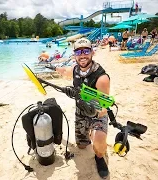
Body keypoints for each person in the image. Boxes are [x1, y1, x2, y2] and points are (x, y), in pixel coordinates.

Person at [45, 38, 111, 179]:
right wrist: (51, 67)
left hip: (97, 115)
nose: (82, 55)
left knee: (98, 143)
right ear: (75, 55)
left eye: (86, 51)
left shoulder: (101, 77)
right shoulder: (75, 70)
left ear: (92, 52)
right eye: (78, 52)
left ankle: (100, 157)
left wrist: (80, 95)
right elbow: (65, 71)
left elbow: (104, 108)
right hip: (80, 113)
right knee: (81, 146)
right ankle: (88, 135)